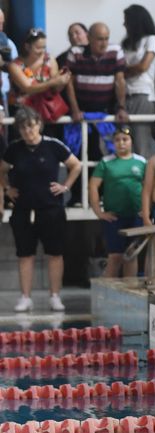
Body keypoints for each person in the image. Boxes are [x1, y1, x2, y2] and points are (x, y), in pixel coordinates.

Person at [0, 107, 82, 312]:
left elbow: (76, 165)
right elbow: (1, 170)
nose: (27, 131)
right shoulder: (14, 149)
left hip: (50, 208)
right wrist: (8, 188)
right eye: (22, 128)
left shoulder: (53, 145)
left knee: (55, 253)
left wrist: (66, 186)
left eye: (30, 126)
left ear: (39, 124)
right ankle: (25, 297)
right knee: (25, 254)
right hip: (23, 209)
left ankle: (55, 295)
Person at [89, 125, 144, 278]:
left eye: (125, 139)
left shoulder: (141, 162)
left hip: (135, 215)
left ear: (131, 141)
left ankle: (130, 293)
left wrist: (146, 210)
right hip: (114, 217)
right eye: (117, 140)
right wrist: (98, 212)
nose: (121, 143)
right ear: (113, 143)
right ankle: (108, 294)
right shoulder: (106, 162)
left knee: (131, 255)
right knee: (115, 256)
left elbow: (149, 187)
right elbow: (93, 185)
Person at [65, 22, 128, 124]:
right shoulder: (75, 52)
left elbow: (120, 81)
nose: (104, 44)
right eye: (100, 39)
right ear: (89, 38)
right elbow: (69, 83)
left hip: (108, 110)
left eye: (106, 39)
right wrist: (75, 109)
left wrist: (121, 107)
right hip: (82, 111)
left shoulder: (116, 51)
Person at [121, 4, 155, 158]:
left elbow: (144, 66)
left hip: (143, 95)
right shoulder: (126, 44)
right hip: (125, 95)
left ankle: (145, 181)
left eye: (126, 21)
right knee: (124, 142)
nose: (124, 24)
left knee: (141, 143)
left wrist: (125, 71)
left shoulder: (151, 39)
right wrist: (127, 71)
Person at [7, 29, 71, 121]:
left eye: (43, 47)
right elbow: (28, 88)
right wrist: (53, 82)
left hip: (46, 110)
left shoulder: (49, 60)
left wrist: (62, 81)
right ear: (27, 47)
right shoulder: (15, 65)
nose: (42, 51)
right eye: (38, 47)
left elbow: (55, 89)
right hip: (22, 111)